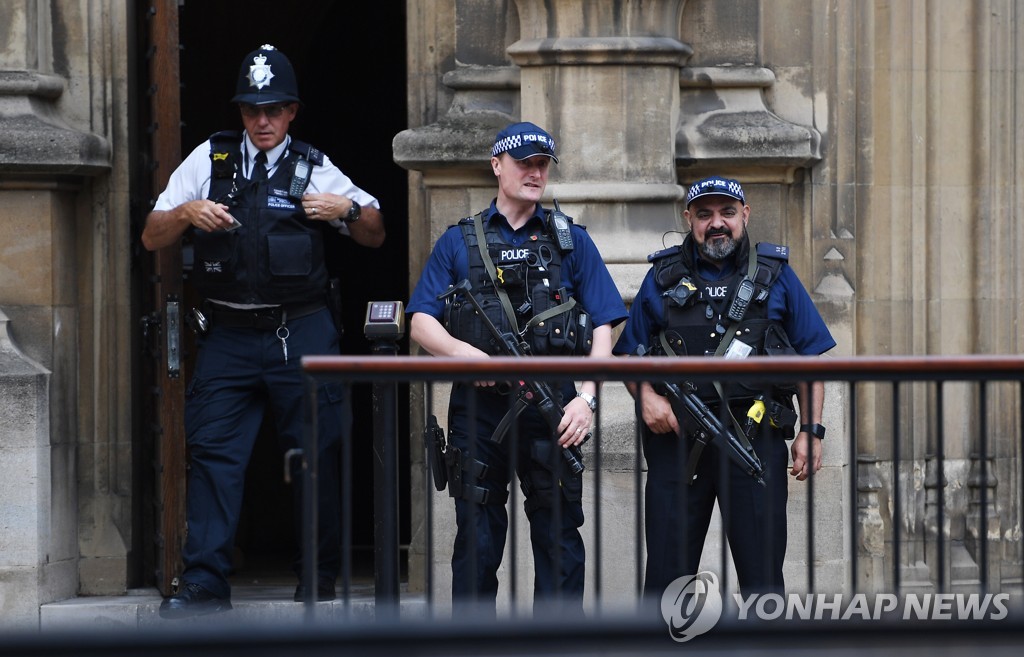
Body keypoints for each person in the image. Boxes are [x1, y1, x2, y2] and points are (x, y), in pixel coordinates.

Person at [142, 44, 385, 618]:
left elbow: (375, 232)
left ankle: (319, 581)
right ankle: (204, 585)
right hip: (227, 334)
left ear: (293, 110)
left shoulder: (312, 165)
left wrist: (343, 211)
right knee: (213, 456)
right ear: (241, 113)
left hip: (300, 332)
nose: (263, 120)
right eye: (253, 109)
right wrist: (186, 214)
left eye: (274, 108)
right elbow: (152, 234)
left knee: (315, 456)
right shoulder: (210, 158)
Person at [407, 121, 627, 616]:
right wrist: (469, 358)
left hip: (555, 406)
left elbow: (605, 325)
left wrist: (587, 399)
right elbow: (422, 321)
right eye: (524, 162)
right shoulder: (458, 242)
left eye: (542, 164)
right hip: (480, 411)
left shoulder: (571, 241)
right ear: (496, 165)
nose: (534, 173)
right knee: (478, 541)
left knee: (559, 538)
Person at [613, 176, 834, 597]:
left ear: (745, 215)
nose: (717, 223)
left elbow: (810, 357)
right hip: (676, 446)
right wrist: (645, 397)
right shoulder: (661, 277)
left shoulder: (776, 275)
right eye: (705, 214)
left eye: (727, 213)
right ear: (689, 219)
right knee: (665, 581)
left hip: (754, 443)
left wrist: (811, 430)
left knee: (762, 582)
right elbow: (626, 353)